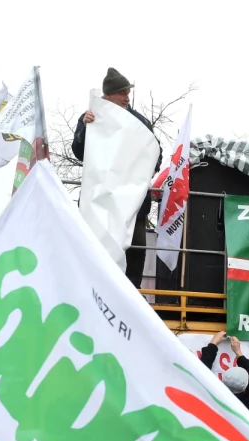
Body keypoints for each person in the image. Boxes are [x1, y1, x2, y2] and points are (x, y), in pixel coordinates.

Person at [72, 67, 162, 289]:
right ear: (107, 95)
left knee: (136, 246)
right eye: (122, 93)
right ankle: (92, 289)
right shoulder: (89, 118)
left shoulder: (140, 122)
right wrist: (85, 129)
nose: (126, 97)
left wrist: (151, 168)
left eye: (128, 92)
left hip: (133, 204)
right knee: (93, 243)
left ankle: (133, 293)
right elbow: (78, 151)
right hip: (99, 201)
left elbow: (155, 153)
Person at [198, 331, 249, 416]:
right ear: (245, 385)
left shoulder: (215, 401)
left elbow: (202, 375)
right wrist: (238, 352)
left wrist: (213, 343)